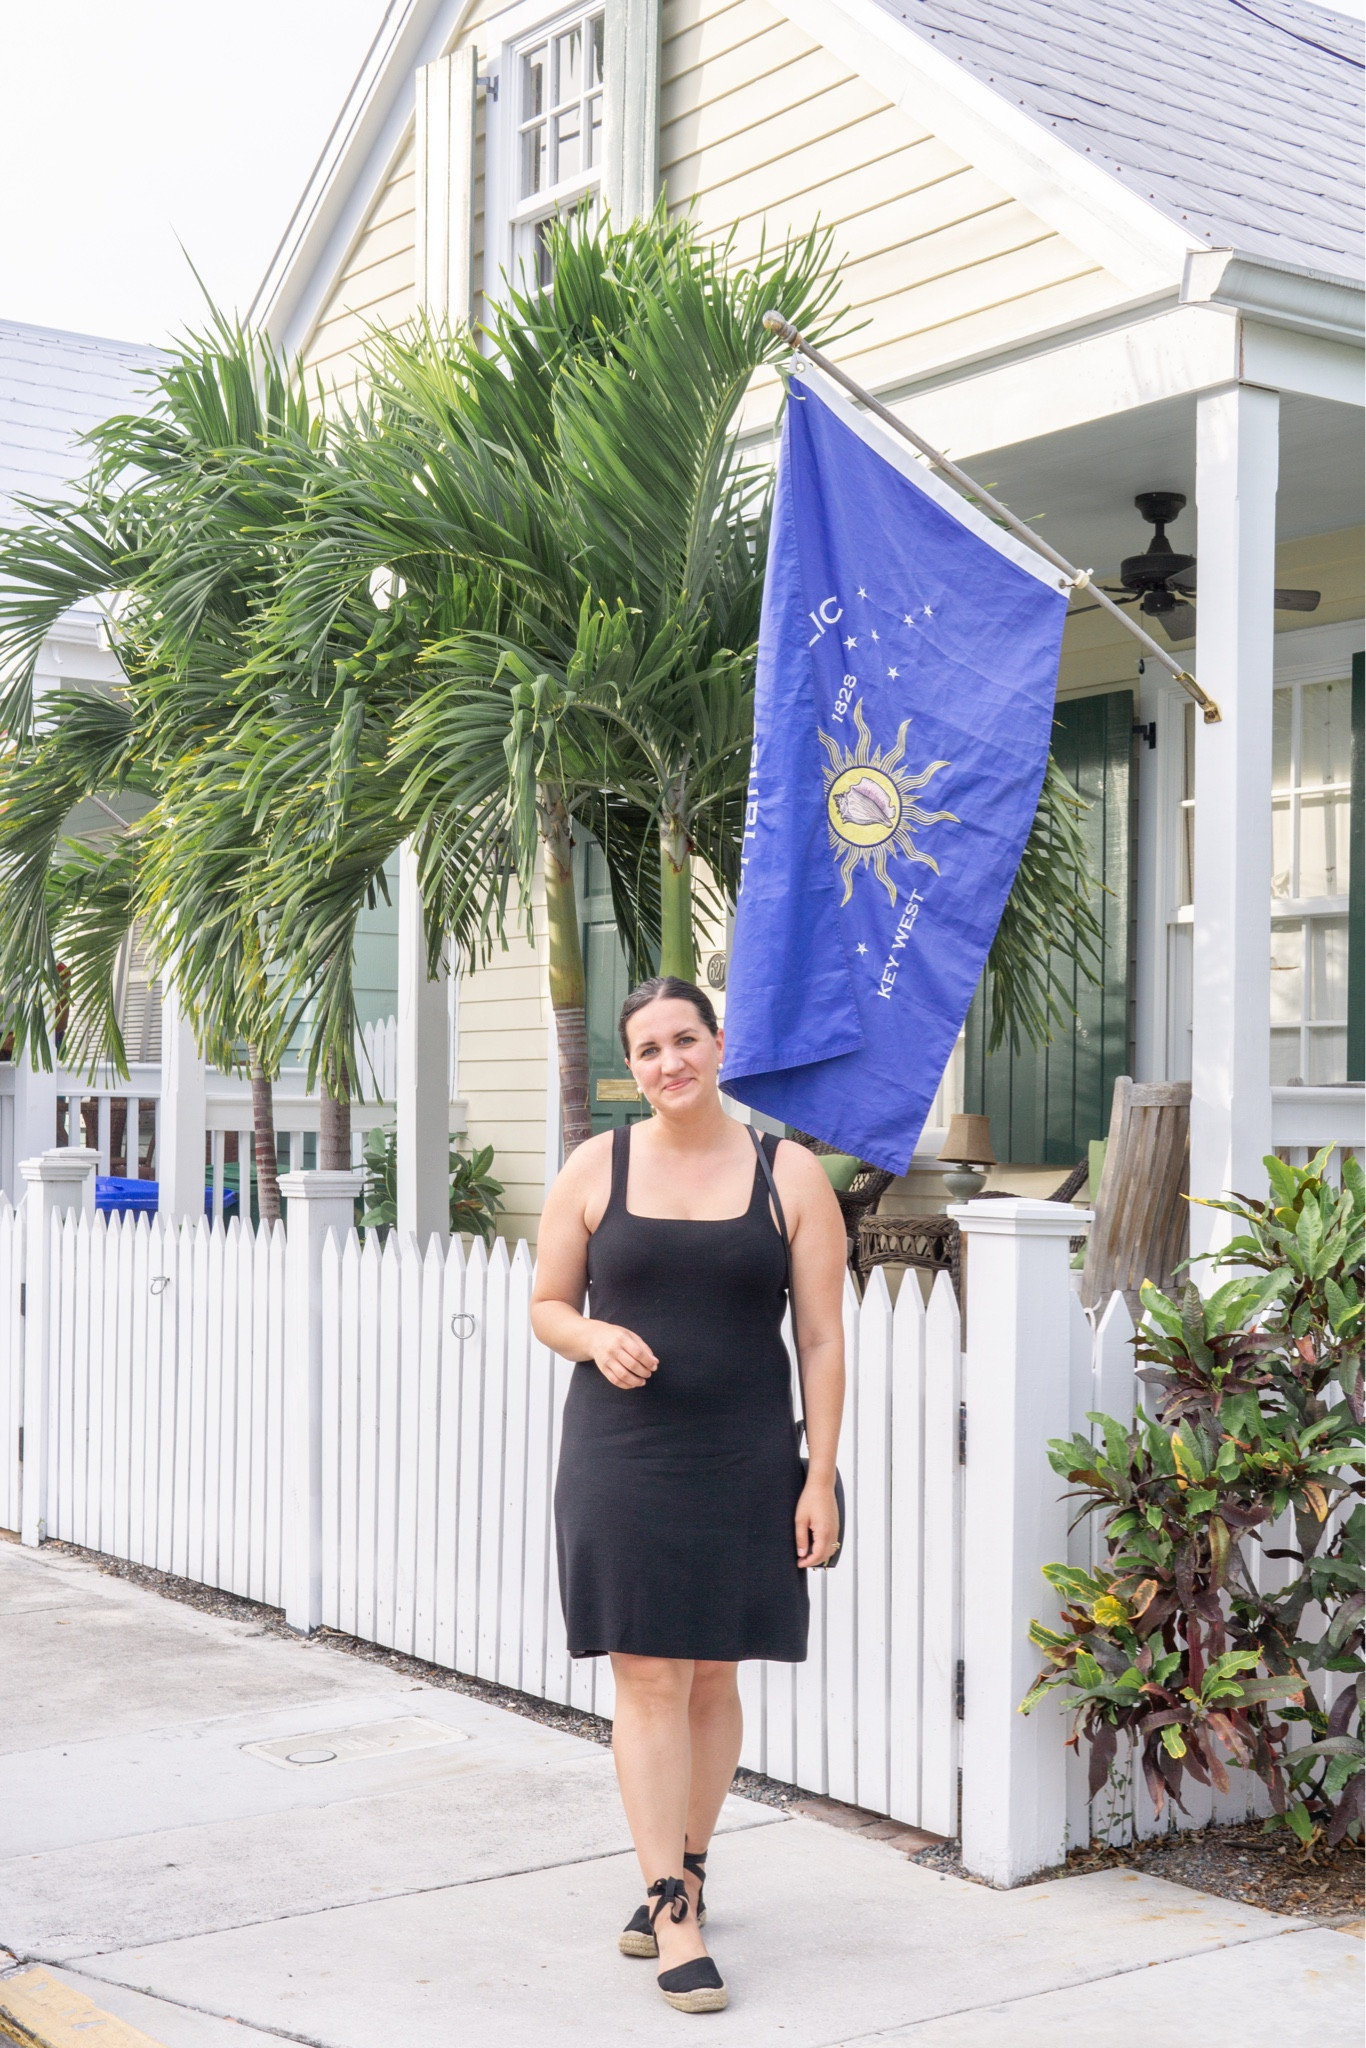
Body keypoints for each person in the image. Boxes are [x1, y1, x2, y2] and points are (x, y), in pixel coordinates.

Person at [531, 975, 846, 2014]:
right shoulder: (596, 1164)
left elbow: (820, 1339)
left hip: (746, 1452)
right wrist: (591, 1333)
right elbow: (544, 1301)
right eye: (649, 1049)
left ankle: (688, 1862)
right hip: (623, 1453)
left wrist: (819, 1473)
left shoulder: (787, 1172)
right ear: (632, 1069)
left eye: (685, 1039)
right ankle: (673, 1913)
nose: (669, 1061)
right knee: (650, 1673)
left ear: (718, 1045)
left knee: (713, 1672)